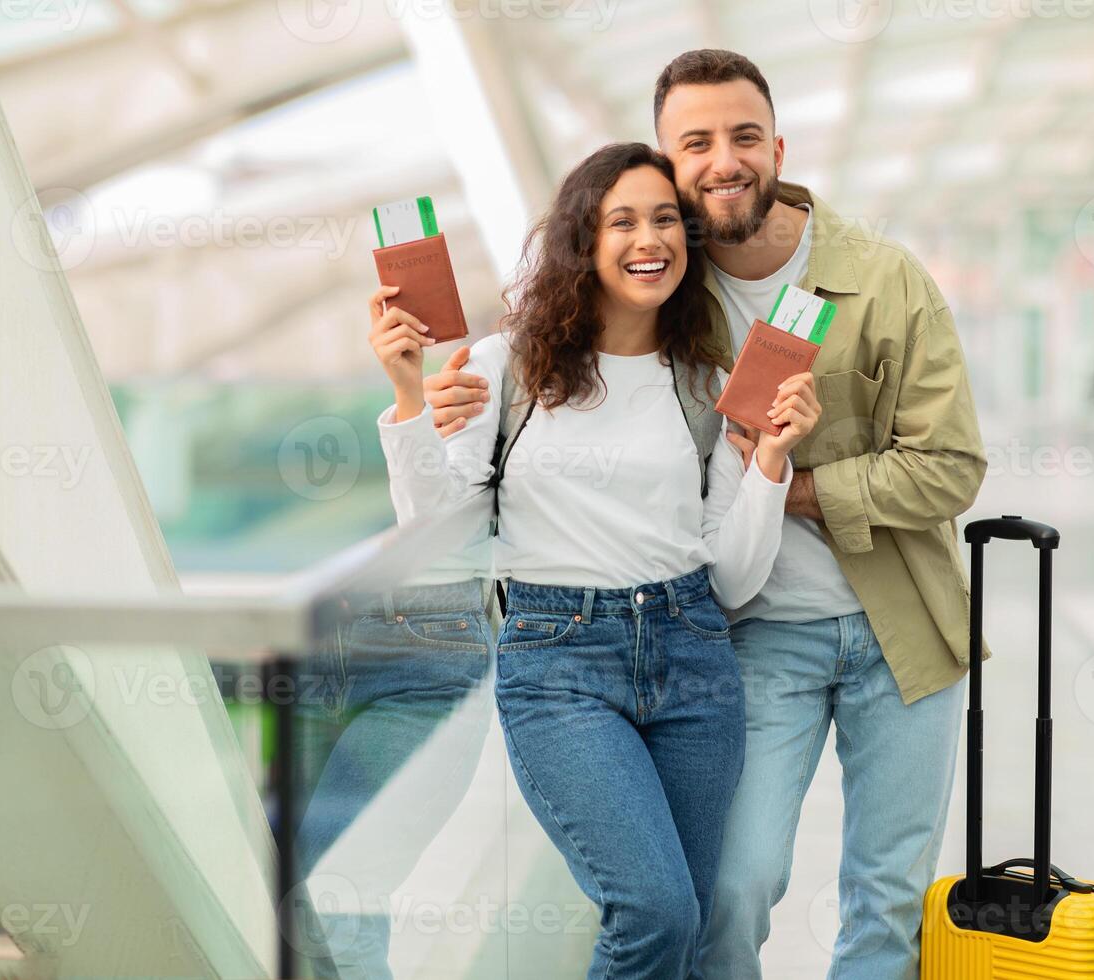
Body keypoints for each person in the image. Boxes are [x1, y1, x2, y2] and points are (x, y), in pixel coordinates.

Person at [421, 52, 989, 980]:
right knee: (730, 891)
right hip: (747, 635)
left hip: (903, 629)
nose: (725, 160)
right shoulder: (669, 296)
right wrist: (432, 402)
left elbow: (952, 466)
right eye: (697, 143)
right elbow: (566, 392)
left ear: (777, 147)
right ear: (668, 162)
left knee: (885, 899)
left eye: (744, 137)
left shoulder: (884, 280)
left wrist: (789, 481)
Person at [368, 141, 821, 979]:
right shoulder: (506, 368)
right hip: (559, 664)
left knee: (689, 925)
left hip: (692, 657)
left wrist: (767, 463)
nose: (649, 239)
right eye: (623, 221)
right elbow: (433, 531)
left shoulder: (703, 379)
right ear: (584, 238)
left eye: (664, 221)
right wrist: (407, 399)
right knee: (653, 912)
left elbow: (731, 577)